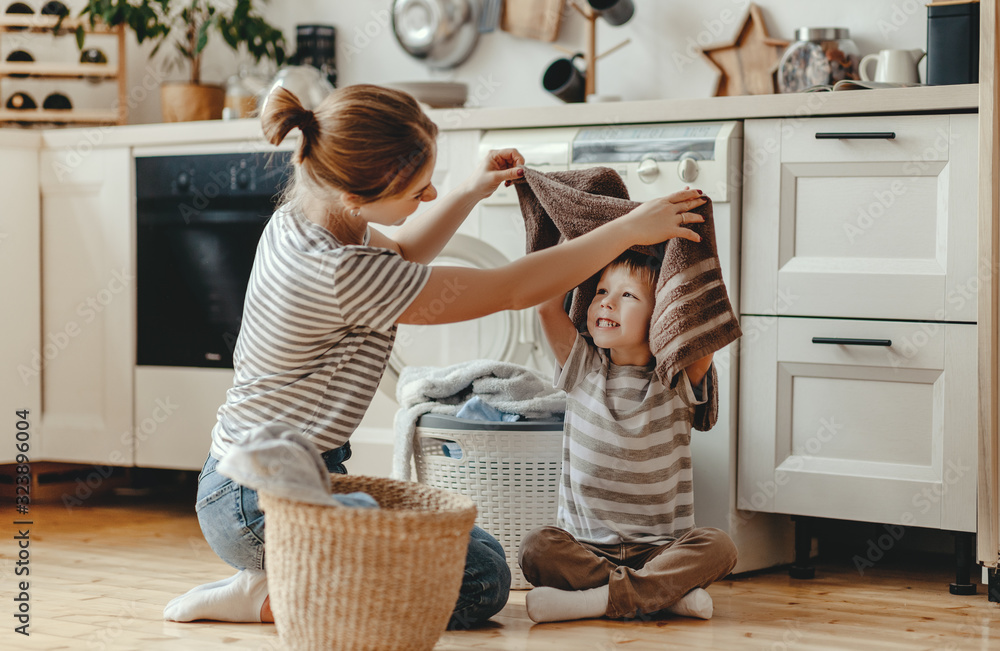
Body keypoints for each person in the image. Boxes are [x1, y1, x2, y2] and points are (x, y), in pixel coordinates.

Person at [162, 83, 707, 628]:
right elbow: (511, 290)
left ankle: (290, 574)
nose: (427, 198)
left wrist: (471, 190)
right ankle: (270, 596)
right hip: (254, 503)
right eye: (417, 190)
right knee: (479, 585)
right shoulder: (339, 273)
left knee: (482, 553)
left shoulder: (306, 222)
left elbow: (403, 252)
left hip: (277, 479)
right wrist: (627, 230)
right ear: (356, 195)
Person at [519, 250, 738, 623]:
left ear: (663, 316)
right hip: (586, 548)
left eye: (628, 295)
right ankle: (661, 595)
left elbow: (705, 321)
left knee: (720, 547)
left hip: (659, 550)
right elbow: (546, 307)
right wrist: (588, 238)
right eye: (602, 290)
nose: (606, 301)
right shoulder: (582, 367)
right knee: (537, 548)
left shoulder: (675, 380)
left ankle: (594, 601)